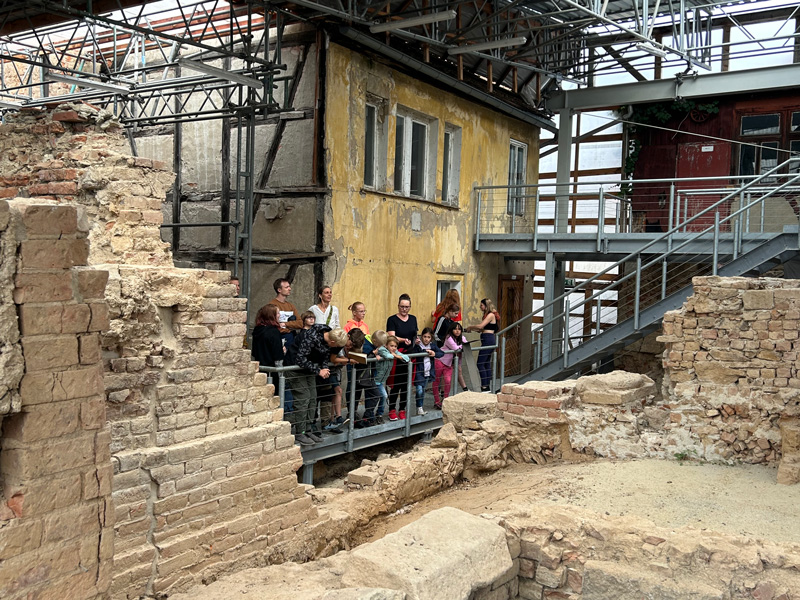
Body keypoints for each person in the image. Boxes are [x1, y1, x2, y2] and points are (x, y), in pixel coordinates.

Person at [288, 324, 348, 446]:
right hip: (295, 369)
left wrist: (325, 368)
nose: (335, 350)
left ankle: (308, 429)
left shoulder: (328, 338)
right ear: (332, 341)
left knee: (312, 398)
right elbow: (300, 359)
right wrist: (318, 371)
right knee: (303, 398)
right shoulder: (311, 337)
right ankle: (300, 432)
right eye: (336, 347)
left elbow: (325, 356)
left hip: (310, 370)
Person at [386, 293, 418, 420]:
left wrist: (416, 341)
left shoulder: (413, 319)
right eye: (402, 306)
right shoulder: (392, 319)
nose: (404, 309)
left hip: (409, 355)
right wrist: (403, 340)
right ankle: (392, 409)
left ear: (410, 307)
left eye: (407, 307)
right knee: (395, 385)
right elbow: (391, 337)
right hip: (397, 354)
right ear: (398, 306)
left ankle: (402, 409)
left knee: (406, 385)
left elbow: (414, 334)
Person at [373, 331, 410, 421]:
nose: (393, 348)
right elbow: (388, 356)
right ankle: (372, 414)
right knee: (381, 396)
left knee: (383, 397)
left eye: (395, 346)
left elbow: (407, 358)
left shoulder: (394, 352)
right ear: (386, 345)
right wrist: (395, 355)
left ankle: (379, 414)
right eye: (391, 346)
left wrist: (397, 355)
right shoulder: (382, 349)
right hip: (376, 379)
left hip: (382, 380)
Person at [466, 298, 500, 392]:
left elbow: (481, 326)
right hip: (487, 338)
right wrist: (472, 329)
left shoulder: (490, 315)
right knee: (486, 363)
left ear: (486, 305)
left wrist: (470, 327)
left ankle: (484, 385)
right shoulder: (488, 315)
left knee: (480, 363)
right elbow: (482, 329)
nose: (480, 307)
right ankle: (486, 386)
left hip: (488, 339)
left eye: (481, 305)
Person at [434, 305, 468, 392]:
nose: (456, 315)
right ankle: (442, 391)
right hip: (444, 349)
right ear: (450, 311)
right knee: (443, 373)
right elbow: (436, 333)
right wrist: (444, 343)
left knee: (458, 370)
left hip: (452, 350)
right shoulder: (442, 319)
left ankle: (465, 389)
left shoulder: (451, 321)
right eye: (455, 313)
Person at [435, 322, 467, 409]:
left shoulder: (461, 337)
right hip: (441, 360)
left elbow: (467, 344)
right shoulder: (448, 337)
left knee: (448, 380)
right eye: (455, 329)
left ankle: (445, 399)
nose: (457, 331)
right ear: (451, 330)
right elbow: (455, 348)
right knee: (438, 380)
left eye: (459, 329)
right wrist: (462, 346)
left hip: (451, 362)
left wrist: (462, 346)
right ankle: (437, 400)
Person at [251, 304, 283, 391]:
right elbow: (278, 356)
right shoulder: (273, 332)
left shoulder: (257, 330)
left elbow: (254, 352)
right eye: (277, 313)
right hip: (272, 371)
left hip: (260, 369)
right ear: (271, 316)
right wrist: (280, 373)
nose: (279, 315)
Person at [412, 327, 443, 416]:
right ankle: (419, 406)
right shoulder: (418, 345)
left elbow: (441, 353)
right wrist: (417, 346)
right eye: (424, 336)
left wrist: (434, 353)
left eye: (428, 337)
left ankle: (420, 407)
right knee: (419, 390)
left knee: (422, 390)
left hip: (428, 372)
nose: (426, 339)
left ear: (431, 338)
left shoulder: (432, 346)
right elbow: (413, 353)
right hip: (419, 371)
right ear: (421, 336)